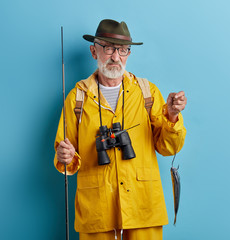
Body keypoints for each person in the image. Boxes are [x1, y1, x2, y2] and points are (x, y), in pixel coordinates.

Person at [54, 19, 187, 240]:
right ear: (93, 51)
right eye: (108, 48)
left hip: (143, 206)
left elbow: (169, 148)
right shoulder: (77, 98)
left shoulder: (147, 92)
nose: (116, 57)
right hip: (96, 209)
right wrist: (64, 156)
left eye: (123, 50)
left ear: (128, 53)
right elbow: (65, 159)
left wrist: (172, 115)